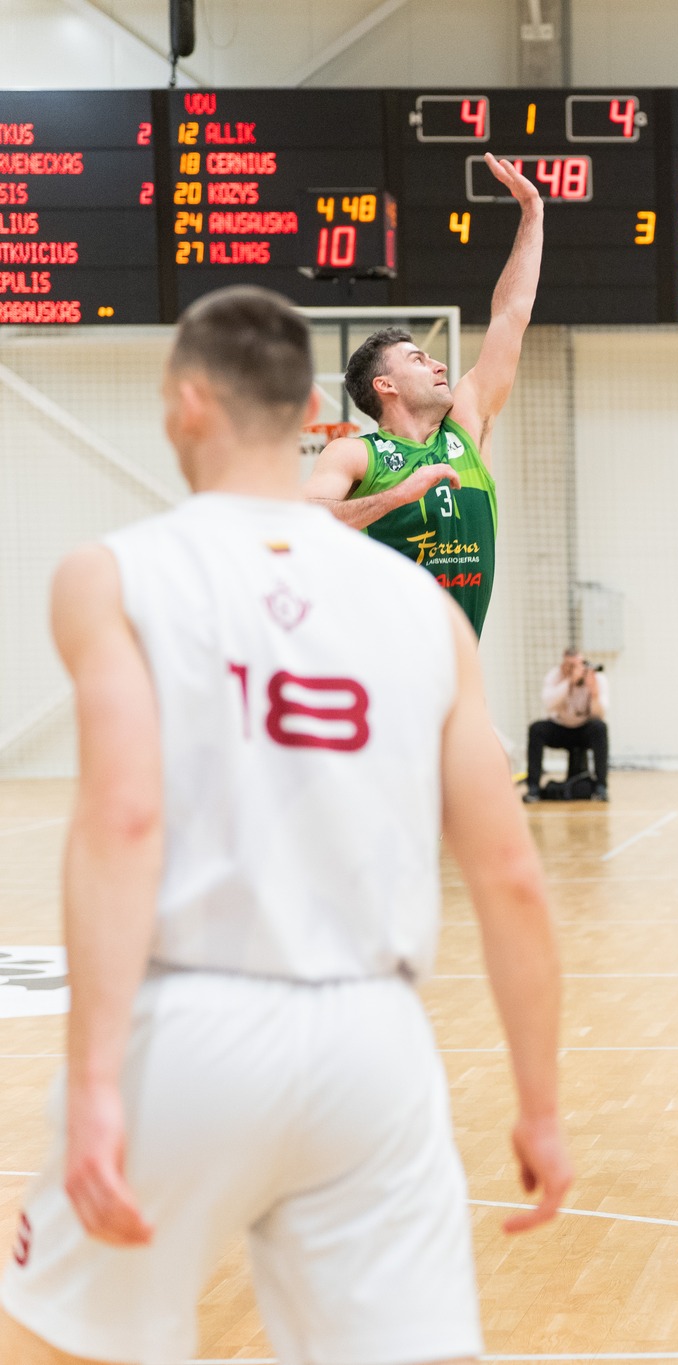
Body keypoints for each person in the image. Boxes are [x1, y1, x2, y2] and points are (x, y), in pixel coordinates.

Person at [0, 287, 573, 1361]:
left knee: (53, 1345)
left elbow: (122, 821)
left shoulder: (113, 573)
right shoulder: (426, 615)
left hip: (193, 1029)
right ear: (312, 410)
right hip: (374, 1045)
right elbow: (509, 873)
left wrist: (93, 1083)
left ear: (184, 404)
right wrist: (540, 1104)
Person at [303, 153, 545, 636]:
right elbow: (304, 519)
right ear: (385, 385)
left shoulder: (467, 426)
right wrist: (398, 496)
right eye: (417, 359)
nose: (439, 365)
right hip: (382, 661)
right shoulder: (356, 454)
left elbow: (511, 315)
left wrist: (533, 213)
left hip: (455, 665)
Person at [526, 649, 609, 803]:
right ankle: (533, 789)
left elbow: (600, 714)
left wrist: (594, 694)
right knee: (536, 729)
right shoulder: (554, 676)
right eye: (570, 665)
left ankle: (601, 788)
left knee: (600, 727)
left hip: (584, 729)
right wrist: (569, 683)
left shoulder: (597, 678)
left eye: (578, 665)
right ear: (563, 665)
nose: (574, 669)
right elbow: (549, 705)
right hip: (560, 728)